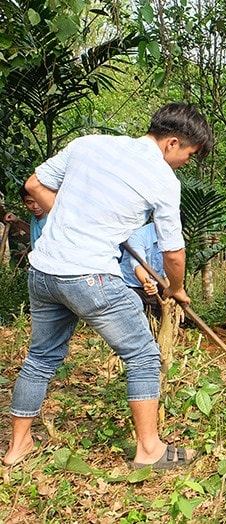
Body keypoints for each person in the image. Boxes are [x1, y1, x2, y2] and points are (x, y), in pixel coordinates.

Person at [2, 102, 213, 469]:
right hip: (91, 277)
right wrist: (175, 289)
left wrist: (72, 221)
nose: (185, 163)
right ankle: (149, 450)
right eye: (189, 156)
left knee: (40, 358)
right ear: (172, 143)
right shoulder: (163, 180)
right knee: (143, 356)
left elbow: (34, 184)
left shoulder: (89, 144)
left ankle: (18, 447)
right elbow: (174, 254)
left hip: (44, 272)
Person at [120, 222, 166, 317]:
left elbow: (169, 272)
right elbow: (138, 265)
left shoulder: (173, 240)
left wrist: (173, 294)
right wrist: (147, 283)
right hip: (130, 285)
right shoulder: (138, 236)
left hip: (155, 286)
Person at [3, 186, 49, 250]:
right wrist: (17, 221)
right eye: (30, 202)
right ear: (24, 203)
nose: (35, 206)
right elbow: (34, 232)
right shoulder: (35, 216)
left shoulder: (53, 220)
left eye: (39, 200)